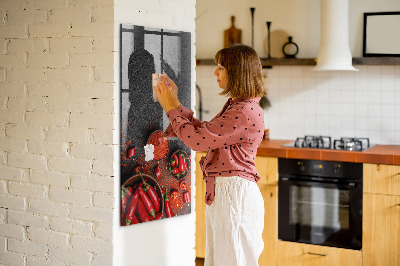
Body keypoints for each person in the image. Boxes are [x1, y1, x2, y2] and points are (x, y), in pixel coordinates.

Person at [154, 44, 266, 266]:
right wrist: (175, 103)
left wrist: (169, 108)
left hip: (234, 196)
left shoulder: (243, 111)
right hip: (228, 194)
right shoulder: (239, 106)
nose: (215, 72)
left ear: (237, 72)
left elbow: (197, 141)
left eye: (221, 67)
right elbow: (204, 133)